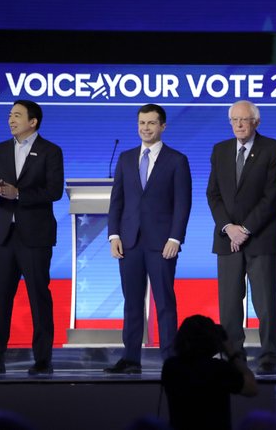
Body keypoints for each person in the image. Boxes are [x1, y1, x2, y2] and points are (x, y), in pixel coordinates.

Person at [0, 100, 64, 376]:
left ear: (33, 121)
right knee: (1, 296)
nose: (11, 119)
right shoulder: (0, 149)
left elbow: (54, 191)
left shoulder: (50, 151)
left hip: (35, 236)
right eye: (9, 115)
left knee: (38, 297)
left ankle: (42, 359)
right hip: (5, 236)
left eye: (17, 115)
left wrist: (20, 195)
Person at [105, 104, 192, 374]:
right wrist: (113, 235)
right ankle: (130, 358)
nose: (146, 128)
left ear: (163, 126)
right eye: (142, 123)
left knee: (164, 301)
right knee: (132, 302)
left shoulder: (177, 160)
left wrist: (175, 238)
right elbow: (116, 200)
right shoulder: (125, 158)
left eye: (151, 123)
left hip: (161, 243)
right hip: (129, 242)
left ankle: (171, 360)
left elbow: (182, 203)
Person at [207, 100, 276, 375]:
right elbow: (213, 194)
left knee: (265, 303)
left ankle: (268, 356)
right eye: (234, 120)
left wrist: (245, 229)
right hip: (227, 239)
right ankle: (232, 355)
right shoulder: (220, 151)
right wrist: (229, 227)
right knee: (229, 304)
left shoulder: (272, 149)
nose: (239, 125)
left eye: (244, 120)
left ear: (256, 122)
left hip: (260, 238)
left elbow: (271, 196)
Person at [162, 315, 258, 430]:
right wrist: (231, 353)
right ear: (211, 341)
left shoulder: (170, 367)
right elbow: (251, 388)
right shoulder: (218, 368)